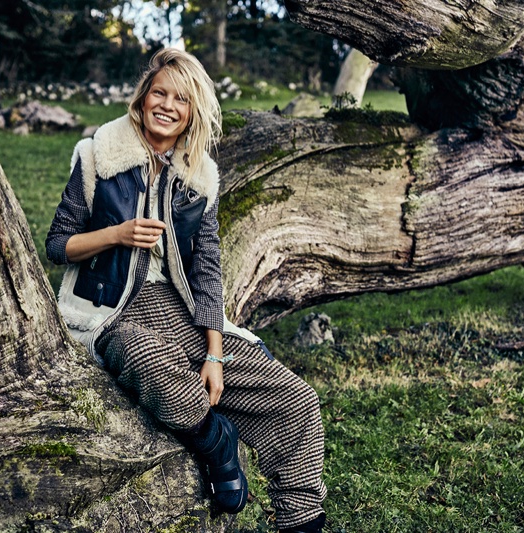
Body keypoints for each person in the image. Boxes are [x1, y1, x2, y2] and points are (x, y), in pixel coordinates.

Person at [46, 48, 327, 533]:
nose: (168, 105)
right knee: (144, 358)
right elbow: (57, 243)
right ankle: (216, 441)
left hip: (179, 311)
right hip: (109, 311)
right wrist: (116, 234)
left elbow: (207, 274)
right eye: (159, 92)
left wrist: (214, 355)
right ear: (142, 97)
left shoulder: (200, 179)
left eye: (181, 98)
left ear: (193, 110)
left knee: (295, 399)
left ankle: (300, 521)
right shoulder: (98, 155)